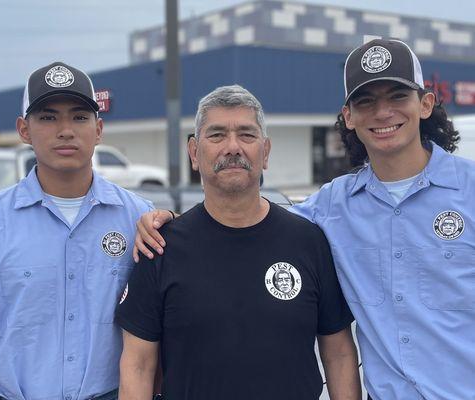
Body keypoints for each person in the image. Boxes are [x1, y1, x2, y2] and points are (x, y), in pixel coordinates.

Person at [134, 38, 475, 400]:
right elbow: (244, 218)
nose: (382, 112)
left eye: (397, 97)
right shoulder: (332, 206)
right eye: (366, 101)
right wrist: (172, 221)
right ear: (348, 116)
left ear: (425, 104)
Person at [116, 85, 361, 400]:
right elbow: (138, 366)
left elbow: (339, 353)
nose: (232, 147)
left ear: (266, 152)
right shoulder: (160, 249)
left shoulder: (308, 241)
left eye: (246, 135)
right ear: (194, 152)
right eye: (217, 135)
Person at [0, 62, 153, 400]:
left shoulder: (139, 218)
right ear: (23, 130)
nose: (65, 130)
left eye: (79, 117)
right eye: (47, 117)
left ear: (99, 129)